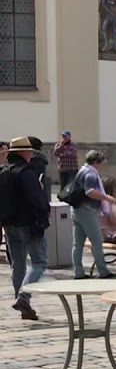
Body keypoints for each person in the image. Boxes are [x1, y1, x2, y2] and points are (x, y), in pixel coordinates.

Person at [0, 137, 51, 320]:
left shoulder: (3, 172)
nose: (31, 154)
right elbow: (36, 198)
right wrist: (44, 215)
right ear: (24, 153)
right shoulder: (26, 172)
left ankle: (22, 301)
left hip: (9, 224)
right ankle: (23, 297)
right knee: (39, 262)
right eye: (29, 151)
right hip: (29, 223)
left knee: (18, 264)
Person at [72, 150, 116, 279]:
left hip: (77, 209)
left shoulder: (82, 170)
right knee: (97, 241)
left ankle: (78, 272)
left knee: (77, 244)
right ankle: (103, 271)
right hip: (87, 210)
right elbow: (89, 192)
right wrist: (107, 198)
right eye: (101, 163)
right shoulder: (91, 174)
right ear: (95, 162)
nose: (102, 166)